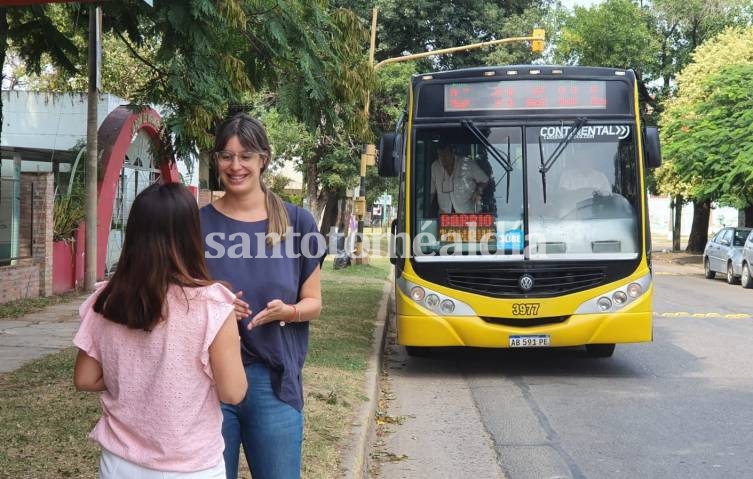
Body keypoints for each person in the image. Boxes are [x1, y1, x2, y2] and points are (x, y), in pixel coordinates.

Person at [73, 182, 247, 478]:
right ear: (191, 234)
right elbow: (233, 392)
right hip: (190, 466)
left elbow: (85, 379)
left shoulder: (105, 300)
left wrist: (135, 380)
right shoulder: (212, 305)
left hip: (119, 462)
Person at [200, 112, 325, 479]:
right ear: (216, 160)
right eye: (226, 156)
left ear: (263, 159)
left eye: (245, 156)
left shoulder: (297, 223)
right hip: (207, 383)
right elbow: (175, 298)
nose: (235, 166)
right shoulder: (195, 224)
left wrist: (289, 311)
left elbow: (313, 303)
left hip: (273, 383)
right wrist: (209, 296)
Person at [430, 142, 489, 213]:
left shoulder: (468, 164)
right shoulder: (435, 167)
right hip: (445, 217)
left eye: (446, 154)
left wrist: (478, 191)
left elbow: (485, 180)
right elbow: (431, 192)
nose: (443, 158)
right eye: (440, 154)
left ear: (452, 153)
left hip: (468, 213)